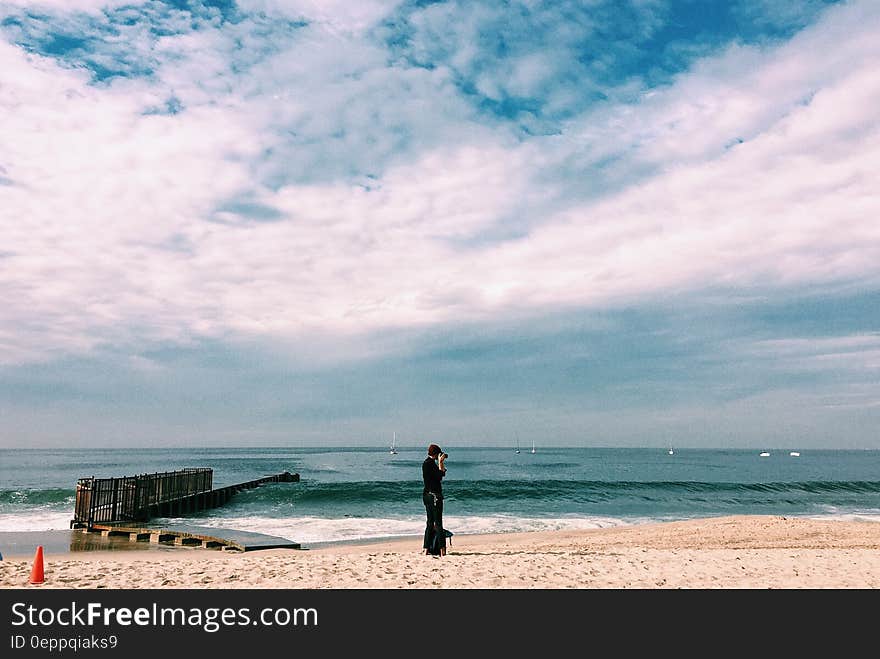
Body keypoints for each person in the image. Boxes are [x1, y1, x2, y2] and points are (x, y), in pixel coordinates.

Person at [422, 443, 447, 557]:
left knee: (429, 523)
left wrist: (439, 463)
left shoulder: (426, 463)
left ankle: (426, 548)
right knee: (438, 524)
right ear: (436, 454)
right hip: (435, 496)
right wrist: (441, 462)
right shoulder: (431, 464)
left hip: (427, 495)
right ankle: (442, 549)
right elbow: (441, 476)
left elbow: (438, 475)